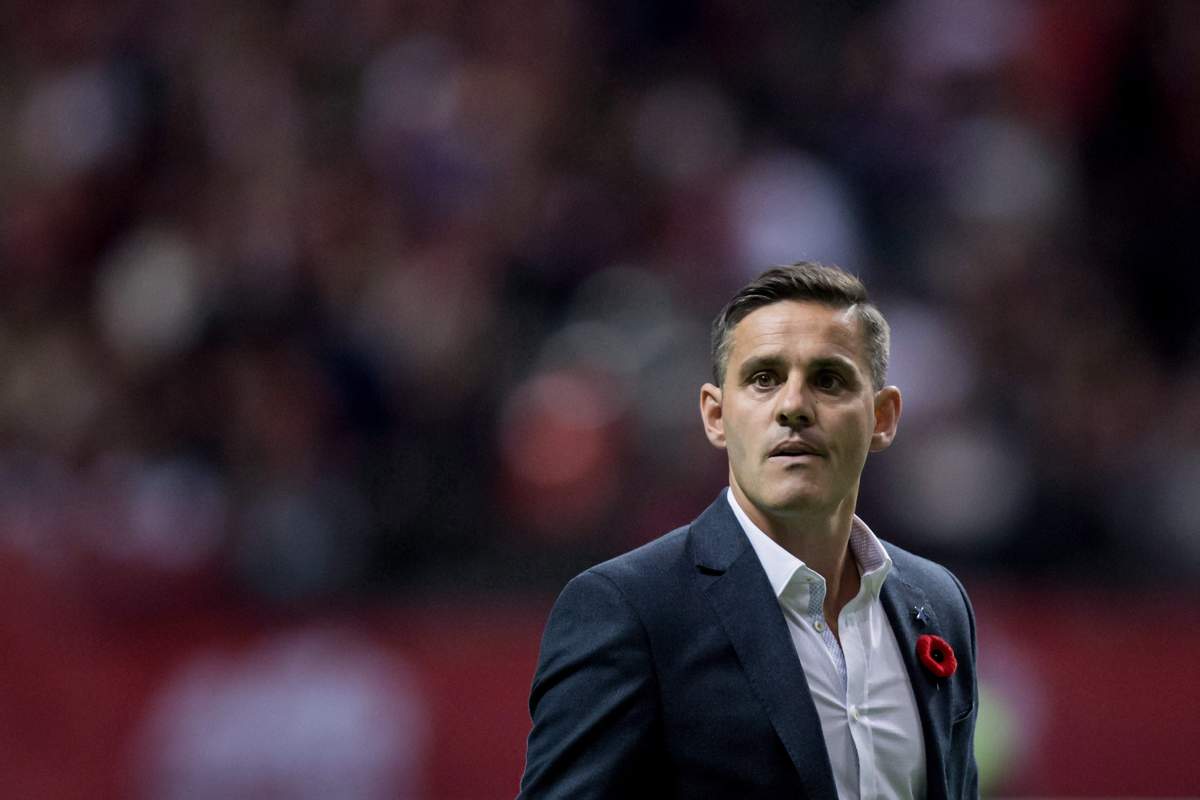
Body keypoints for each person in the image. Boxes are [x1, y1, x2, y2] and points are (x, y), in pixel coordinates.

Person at [518, 263, 978, 799]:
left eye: (828, 379)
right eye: (764, 379)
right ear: (716, 415)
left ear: (882, 417)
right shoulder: (631, 610)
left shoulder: (940, 604)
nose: (793, 407)